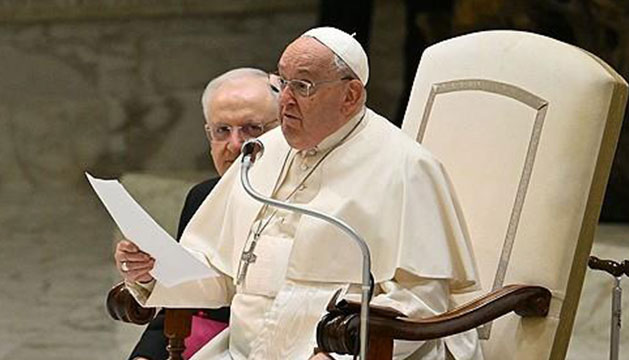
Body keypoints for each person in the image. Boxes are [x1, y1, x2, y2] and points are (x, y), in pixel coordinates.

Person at [118, 27, 482, 360]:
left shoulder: (406, 167)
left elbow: (422, 301)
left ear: (350, 95)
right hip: (245, 350)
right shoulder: (263, 153)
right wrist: (154, 271)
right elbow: (220, 273)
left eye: (303, 86)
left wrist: (339, 356)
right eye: (284, 83)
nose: (286, 100)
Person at [117, 67, 279, 360]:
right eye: (222, 131)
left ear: (285, 128)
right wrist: (149, 274)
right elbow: (177, 309)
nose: (235, 145)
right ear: (208, 136)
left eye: (252, 128)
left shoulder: (310, 201)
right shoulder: (203, 197)